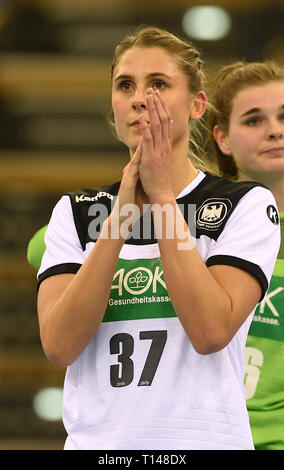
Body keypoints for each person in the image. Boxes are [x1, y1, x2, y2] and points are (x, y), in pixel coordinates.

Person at [36, 26, 280, 450]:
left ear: (197, 105)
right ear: (113, 107)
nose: (138, 98)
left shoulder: (245, 204)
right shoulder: (75, 212)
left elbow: (210, 331)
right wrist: (120, 218)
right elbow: (59, 345)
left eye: (159, 84)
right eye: (125, 85)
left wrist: (163, 196)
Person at [207, 60, 284, 450]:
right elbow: (43, 245)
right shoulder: (191, 218)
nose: (275, 130)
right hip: (201, 434)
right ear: (222, 138)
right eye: (254, 121)